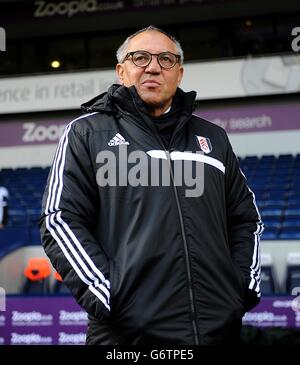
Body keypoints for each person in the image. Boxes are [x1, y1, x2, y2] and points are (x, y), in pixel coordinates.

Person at [39, 26, 263, 345]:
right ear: (121, 71)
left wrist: (241, 290)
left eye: (166, 59)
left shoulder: (213, 138)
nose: (153, 66)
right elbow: (59, 219)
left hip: (217, 331)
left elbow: (245, 219)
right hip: (126, 335)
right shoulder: (86, 134)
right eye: (140, 57)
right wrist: (110, 296)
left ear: (180, 73)